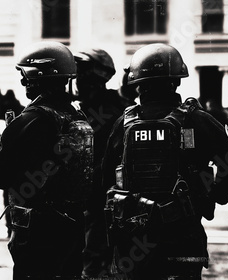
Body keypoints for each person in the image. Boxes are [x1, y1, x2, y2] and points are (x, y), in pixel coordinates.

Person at [102, 43, 228, 279]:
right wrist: (211, 197)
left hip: (134, 243)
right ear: (177, 80)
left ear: (138, 84)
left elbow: (106, 179)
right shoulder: (197, 119)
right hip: (183, 239)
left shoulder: (124, 123)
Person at [0, 41, 94, 280]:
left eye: (26, 75)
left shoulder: (31, 119)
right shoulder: (77, 116)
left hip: (37, 229)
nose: (24, 81)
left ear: (37, 77)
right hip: (72, 225)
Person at [73, 48, 127, 278]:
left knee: (94, 264)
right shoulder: (78, 110)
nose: (78, 82)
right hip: (83, 203)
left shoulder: (115, 109)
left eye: (83, 76)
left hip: (101, 203)